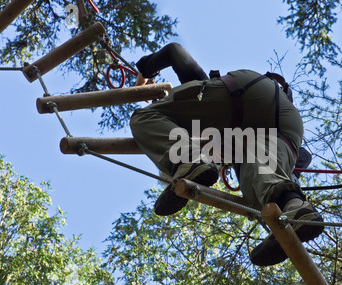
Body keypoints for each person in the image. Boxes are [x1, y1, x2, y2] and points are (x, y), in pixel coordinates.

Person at [130, 43, 324, 266]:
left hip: (241, 94)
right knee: (258, 182)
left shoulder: (208, 105)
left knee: (145, 118)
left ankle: (189, 161)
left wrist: (144, 70)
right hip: (285, 121)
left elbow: (175, 51)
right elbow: (302, 158)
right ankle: (295, 212)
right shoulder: (244, 152)